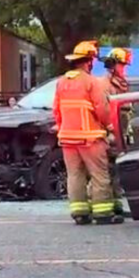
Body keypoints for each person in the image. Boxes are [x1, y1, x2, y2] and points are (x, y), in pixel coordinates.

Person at [53, 40, 118, 225]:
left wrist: (63, 127)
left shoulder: (61, 82)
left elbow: (56, 111)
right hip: (90, 138)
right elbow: (102, 109)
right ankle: (103, 213)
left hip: (67, 139)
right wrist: (110, 127)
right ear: (88, 61)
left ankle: (79, 213)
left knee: (74, 175)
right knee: (99, 175)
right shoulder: (91, 82)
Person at [99, 47, 132, 216]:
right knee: (107, 170)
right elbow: (104, 110)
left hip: (121, 132)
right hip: (110, 133)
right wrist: (109, 132)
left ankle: (116, 204)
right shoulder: (105, 84)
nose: (124, 69)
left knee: (117, 170)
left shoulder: (122, 83)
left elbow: (127, 110)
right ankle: (105, 205)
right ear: (113, 65)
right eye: (122, 65)